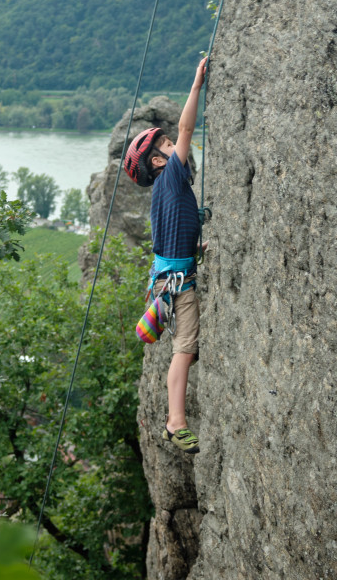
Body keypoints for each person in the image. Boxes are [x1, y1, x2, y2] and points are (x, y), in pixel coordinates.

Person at [122, 57, 208, 454]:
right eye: (168, 146)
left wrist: (196, 250)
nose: (177, 145)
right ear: (158, 161)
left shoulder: (167, 191)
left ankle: (174, 420)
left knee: (184, 349)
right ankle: (175, 422)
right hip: (177, 283)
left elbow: (174, 234)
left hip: (167, 277)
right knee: (185, 348)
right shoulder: (171, 176)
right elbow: (188, 127)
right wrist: (196, 86)